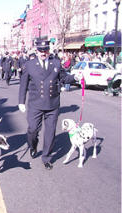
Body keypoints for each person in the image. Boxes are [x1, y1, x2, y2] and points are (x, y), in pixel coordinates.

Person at [18, 40, 82, 170]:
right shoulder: (29, 65)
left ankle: (46, 157)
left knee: (50, 132)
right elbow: (23, 85)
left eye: (45, 50)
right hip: (35, 103)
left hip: (52, 104)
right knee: (32, 129)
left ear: (49, 50)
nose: (43, 53)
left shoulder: (56, 63)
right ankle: (33, 144)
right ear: (37, 51)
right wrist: (21, 102)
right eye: (41, 50)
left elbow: (64, 78)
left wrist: (75, 77)